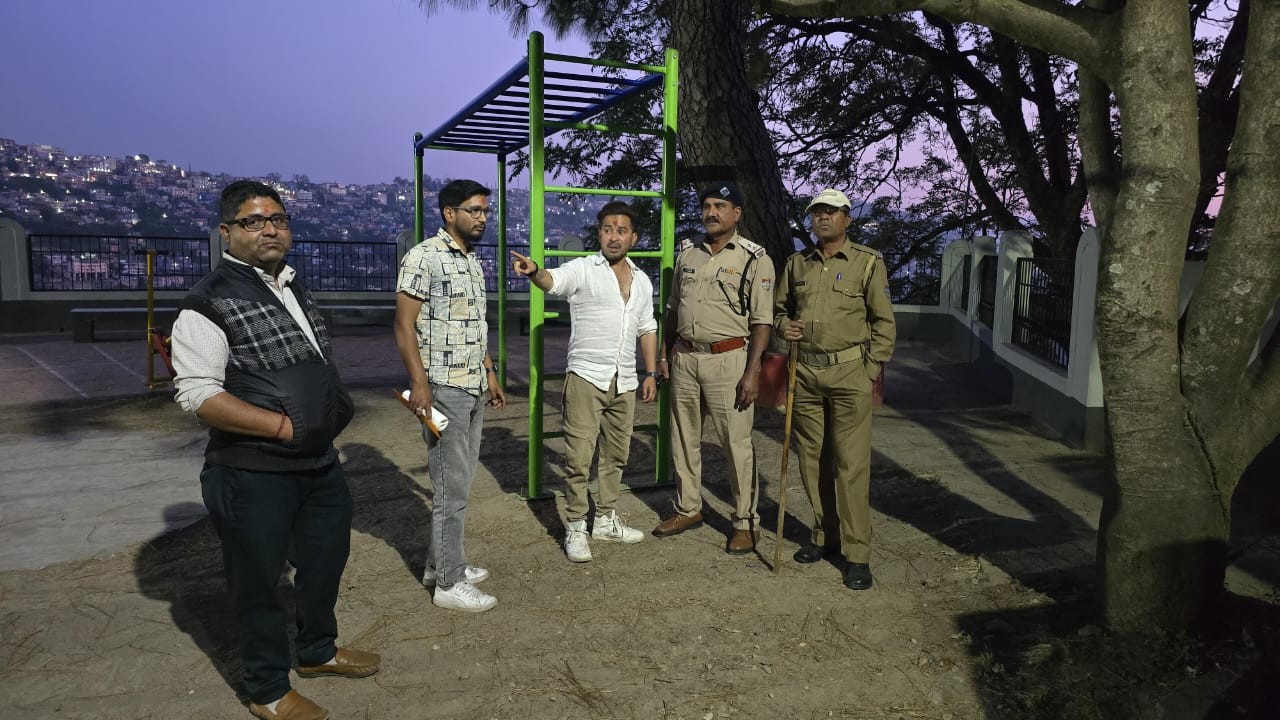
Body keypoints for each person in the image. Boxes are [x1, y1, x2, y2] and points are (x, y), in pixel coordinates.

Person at [172, 180, 380, 720]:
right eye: (254, 221)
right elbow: (199, 395)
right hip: (252, 472)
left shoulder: (290, 285)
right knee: (259, 584)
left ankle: (317, 652)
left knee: (324, 562)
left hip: (318, 464)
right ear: (227, 232)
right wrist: (283, 429)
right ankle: (266, 690)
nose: (269, 229)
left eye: (278, 220)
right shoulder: (207, 302)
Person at [510, 201, 660, 562]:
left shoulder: (641, 280)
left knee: (616, 456)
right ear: (600, 233)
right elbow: (553, 281)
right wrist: (534, 271)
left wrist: (651, 372)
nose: (614, 237)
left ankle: (605, 519)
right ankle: (576, 526)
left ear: (633, 237)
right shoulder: (584, 269)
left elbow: (647, 327)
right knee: (578, 458)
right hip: (586, 377)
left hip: (624, 380)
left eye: (621, 230)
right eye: (608, 229)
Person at [774, 188, 897, 590]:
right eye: (817, 212)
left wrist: (868, 371)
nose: (823, 217)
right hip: (805, 374)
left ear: (847, 218)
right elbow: (779, 311)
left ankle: (857, 554)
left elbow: (884, 324)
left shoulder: (867, 262)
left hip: (849, 376)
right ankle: (824, 537)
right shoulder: (797, 264)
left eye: (832, 211)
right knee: (812, 461)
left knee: (850, 465)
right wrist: (784, 327)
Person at [395, 178, 506, 613]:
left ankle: (439, 564)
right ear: (449, 213)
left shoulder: (471, 260)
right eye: (474, 210)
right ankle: (449, 582)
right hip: (443, 387)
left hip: (472, 384)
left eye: (485, 211)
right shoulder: (424, 256)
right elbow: (403, 325)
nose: (482, 218)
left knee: (460, 480)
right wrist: (419, 383)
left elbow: (475, 325)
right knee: (450, 489)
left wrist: (490, 374)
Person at [653, 182, 776, 554]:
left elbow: (762, 321)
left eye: (720, 206)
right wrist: (663, 354)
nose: (711, 212)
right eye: (707, 205)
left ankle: (745, 523)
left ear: (737, 213)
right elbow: (673, 307)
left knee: (736, 444)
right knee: (683, 438)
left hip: (729, 360)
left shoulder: (754, 258)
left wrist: (753, 371)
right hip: (685, 357)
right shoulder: (688, 253)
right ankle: (688, 508)